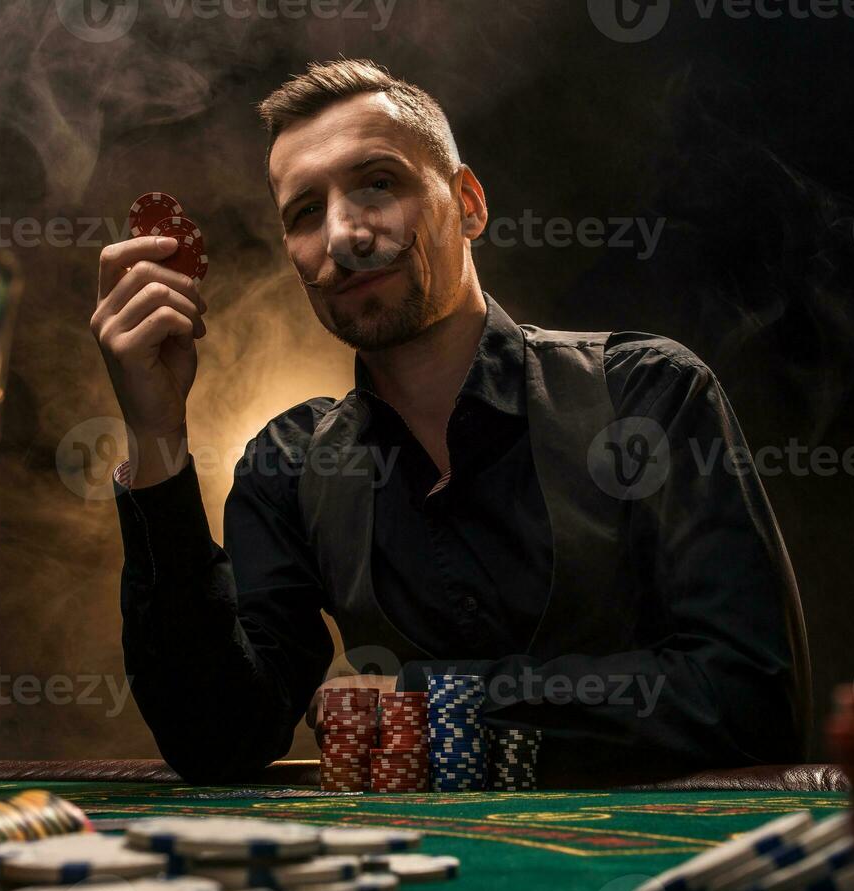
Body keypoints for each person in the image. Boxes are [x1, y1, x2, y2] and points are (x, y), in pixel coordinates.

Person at [89, 58, 810, 785]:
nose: (344, 234)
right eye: (306, 212)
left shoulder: (648, 393)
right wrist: (155, 432)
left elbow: (751, 698)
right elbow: (219, 739)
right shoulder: (287, 463)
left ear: (467, 203)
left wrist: (436, 701)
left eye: (378, 182)